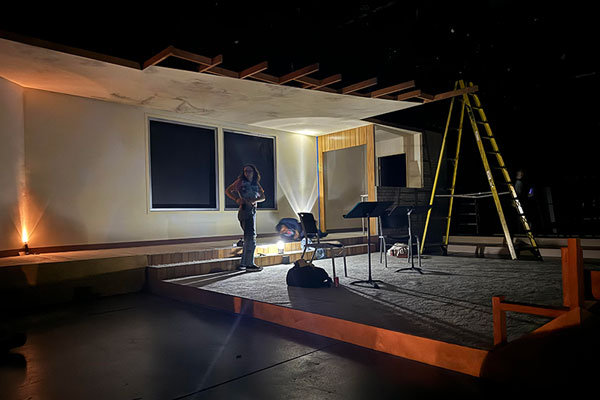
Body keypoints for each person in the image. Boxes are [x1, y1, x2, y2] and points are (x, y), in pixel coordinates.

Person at [226, 164, 265, 272]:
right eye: (245, 171)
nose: (247, 173)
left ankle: (245, 263)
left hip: (252, 210)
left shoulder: (256, 184)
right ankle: (248, 263)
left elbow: (263, 197)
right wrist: (236, 199)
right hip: (244, 210)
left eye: (249, 171)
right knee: (250, 237)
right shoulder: (240, 182)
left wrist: (254, 200)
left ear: (254, 172)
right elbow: (228, 190)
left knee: (250, 237)